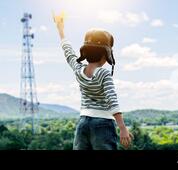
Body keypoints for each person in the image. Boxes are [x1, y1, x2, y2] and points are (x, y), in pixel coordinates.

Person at [53, 12, 133, 150]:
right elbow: (112, 100)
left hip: (83, 123)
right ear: (105, 55)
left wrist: (60, 28)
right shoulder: (103, 73)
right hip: (103, 124)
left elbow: (68, 51)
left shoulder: (78, 69)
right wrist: (123, 128)